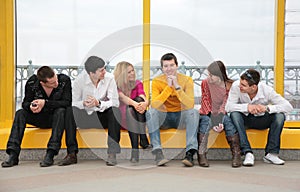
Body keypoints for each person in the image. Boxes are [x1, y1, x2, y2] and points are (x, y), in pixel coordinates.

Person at [1, 66, 78, 168]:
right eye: (52, 83)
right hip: (38, 117)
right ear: (43, 83)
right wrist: (31, 106)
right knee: (20, 113)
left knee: (61, 111)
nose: (56, 83)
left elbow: (67, 102)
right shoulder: (32, 83)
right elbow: (25, 103)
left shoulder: (64, 80)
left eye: (56, 79)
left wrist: (45, 103)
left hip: (56, 119)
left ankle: (51, 153)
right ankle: (13, 154)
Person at [225, 69, 293, 166]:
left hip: (262, 120)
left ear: (253, 87)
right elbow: (228, 107)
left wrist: (267, 108)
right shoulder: (236, 86)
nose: (240, 86)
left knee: (280, 116)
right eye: (240, 83)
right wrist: (247, 107)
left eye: (244, 85)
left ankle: (271, 153)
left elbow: (288, 107)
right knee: (234, 114)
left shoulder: (266, 90)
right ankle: (247, 152)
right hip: (244, 120)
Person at [146, 53, 199, 167]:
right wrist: (168, 88)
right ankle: (158, 152)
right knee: (151, 113)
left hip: (181, 117)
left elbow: (190, 104)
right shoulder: (156, 81)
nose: (169, 69)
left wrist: (177, 86)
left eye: (171, 65)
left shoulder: (187, 80)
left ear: (177, 66)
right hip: (164, 117)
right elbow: (154, 105)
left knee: (193, 113)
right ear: (162, 68)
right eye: (166, 66)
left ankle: (190, 153)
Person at [72, 55, 121, 166]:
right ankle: (72, 154)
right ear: (91, 73)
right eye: (101, 70)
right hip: (84, 116)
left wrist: (99, 103)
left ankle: (112, 154)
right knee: (70, 111)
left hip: (101, 116)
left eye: (104, 69)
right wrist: (83, 103)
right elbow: (73, 103)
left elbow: (115, 102)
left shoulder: (109, 78)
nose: (104, 72)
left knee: (115, 111)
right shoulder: (79, 81)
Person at [198, 61, 241, 168]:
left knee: (228, 121)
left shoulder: (229, 85)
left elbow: (227, 102)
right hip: (208, 112)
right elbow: (205, 100)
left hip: (222, 112)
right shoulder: (205, 83)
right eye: (209, 74)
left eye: (212, 75)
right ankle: (201, 153)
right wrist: (213, 117)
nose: (209, 77)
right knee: (205, 122)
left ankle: (236, 153)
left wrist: (220, 118)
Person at [113, 61, 152, 163]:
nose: (132, 73)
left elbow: (143, 96)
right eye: (129, 72)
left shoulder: (138, 83)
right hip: (122, 117)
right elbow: (123, 98)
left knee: (137, 103)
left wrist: (145, 103)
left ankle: (135, 152)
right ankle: (143, 138)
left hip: (136, 115)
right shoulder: (115, 85)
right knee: (130, 109)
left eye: (132, 71)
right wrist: (136, 105)